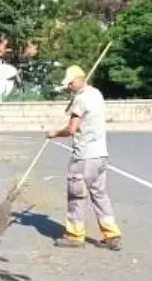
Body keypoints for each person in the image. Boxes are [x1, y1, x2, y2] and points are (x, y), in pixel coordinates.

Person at [48, 64, 122, 250]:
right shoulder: (96, 94)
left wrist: (55, 133)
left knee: (76, 195)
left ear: (80, 79)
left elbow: (72, 129)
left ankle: (74, 235)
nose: (68, 87)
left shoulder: (80, 100)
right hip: (100, 155)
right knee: (100, 194)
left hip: (84, 157)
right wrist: (74, 101)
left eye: (70, 83)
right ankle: (111, 234)